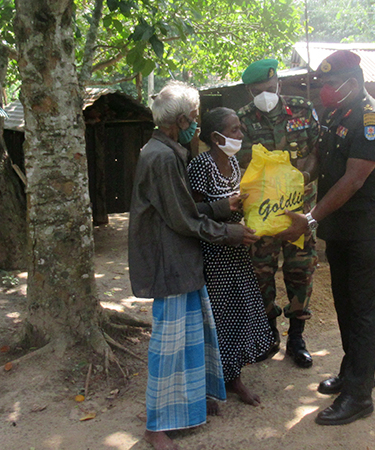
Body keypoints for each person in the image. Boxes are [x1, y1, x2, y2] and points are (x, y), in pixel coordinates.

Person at [275, 50, 375, 426]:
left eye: (330, 84)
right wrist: (290, 180)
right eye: (322, 85)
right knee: (347, 307)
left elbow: (354, 178)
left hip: (372, 233)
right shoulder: (337, 114)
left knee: (365, 313)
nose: (324, 91)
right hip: (346, 231)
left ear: (352, 82)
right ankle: (353, 375)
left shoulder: (371, 119)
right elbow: (320, 159)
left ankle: (359, 396)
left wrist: (310, 219)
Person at [128, 81, 259, 450]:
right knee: (168, 347)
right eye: (195, 118)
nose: (196, 126)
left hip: (180, 260)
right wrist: (230, 232)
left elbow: (181, 210)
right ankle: (156, 427)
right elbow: (183, 221)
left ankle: (191, 403)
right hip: (168, 262)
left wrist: (220, 208)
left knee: (192, 338)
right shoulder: (163, 157)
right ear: (182, 119)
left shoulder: (168, 150)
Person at [187, 107, 275, 406]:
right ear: (215, 136)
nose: (241, 134)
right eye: (235, 129)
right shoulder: (201, 165)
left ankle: (233, 377)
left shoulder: (235, 163)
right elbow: (191, 214)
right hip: (212, 255)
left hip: (236, 253)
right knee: (217, 319)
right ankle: (210, 385)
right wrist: (225, 209)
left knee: (240, 312)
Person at [237, 58, 320, 367]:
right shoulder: (242, 120)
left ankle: (296, 338)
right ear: (249, 92)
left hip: (299, 211)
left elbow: (316, 150)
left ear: (279, 85)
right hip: (262, 215)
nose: (266, 94)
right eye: (259, 91)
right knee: (261, 273)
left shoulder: (302, 108)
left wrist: (304, 179)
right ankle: (269, 334)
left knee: (301, 270)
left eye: (270, 89)